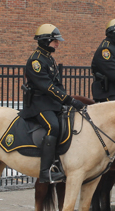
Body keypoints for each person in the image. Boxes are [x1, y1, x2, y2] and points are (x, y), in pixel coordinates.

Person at [19, 23, 85, 183]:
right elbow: (47, 87)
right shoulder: (36, 61)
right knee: (53, 126)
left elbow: (57, 84)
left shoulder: (48, 58)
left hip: (51, 102)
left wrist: (66, 101)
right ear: (45, 40)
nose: (57, 43)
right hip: (38, 103)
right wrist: (69, 100)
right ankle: (44, 171)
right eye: (55, 41)